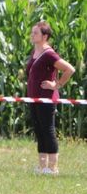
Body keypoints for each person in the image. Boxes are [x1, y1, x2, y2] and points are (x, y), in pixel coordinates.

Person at [26, 21, 75, 175]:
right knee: (39, 130)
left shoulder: (49, 54)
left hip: (46, 98)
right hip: (34, 98)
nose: (32, 35)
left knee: (48, 130)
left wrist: (56, 84)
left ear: (45, 36)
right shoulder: (35, 52)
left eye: (36, 33)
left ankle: (53, 168)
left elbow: (69, 69)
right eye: (32, 32)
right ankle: (42, 166)